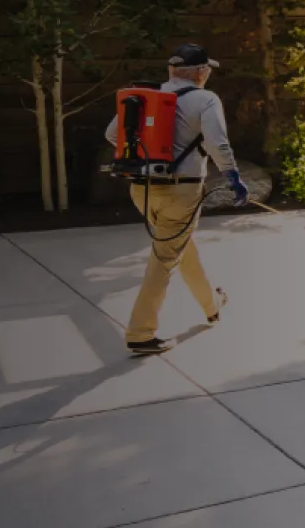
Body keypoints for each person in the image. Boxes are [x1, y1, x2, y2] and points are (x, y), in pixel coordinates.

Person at [104, 44, 249, 355]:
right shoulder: (205, 99)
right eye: (206, 69)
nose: (207, 73)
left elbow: (112, 134)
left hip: (141, 188)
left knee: (180, 246)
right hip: (181, 191)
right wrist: (233, 178)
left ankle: (211, 306)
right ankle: (141, 333)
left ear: (172, 71)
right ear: (199, 72)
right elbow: (217, 142)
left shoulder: (145, 96)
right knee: (165, 259)